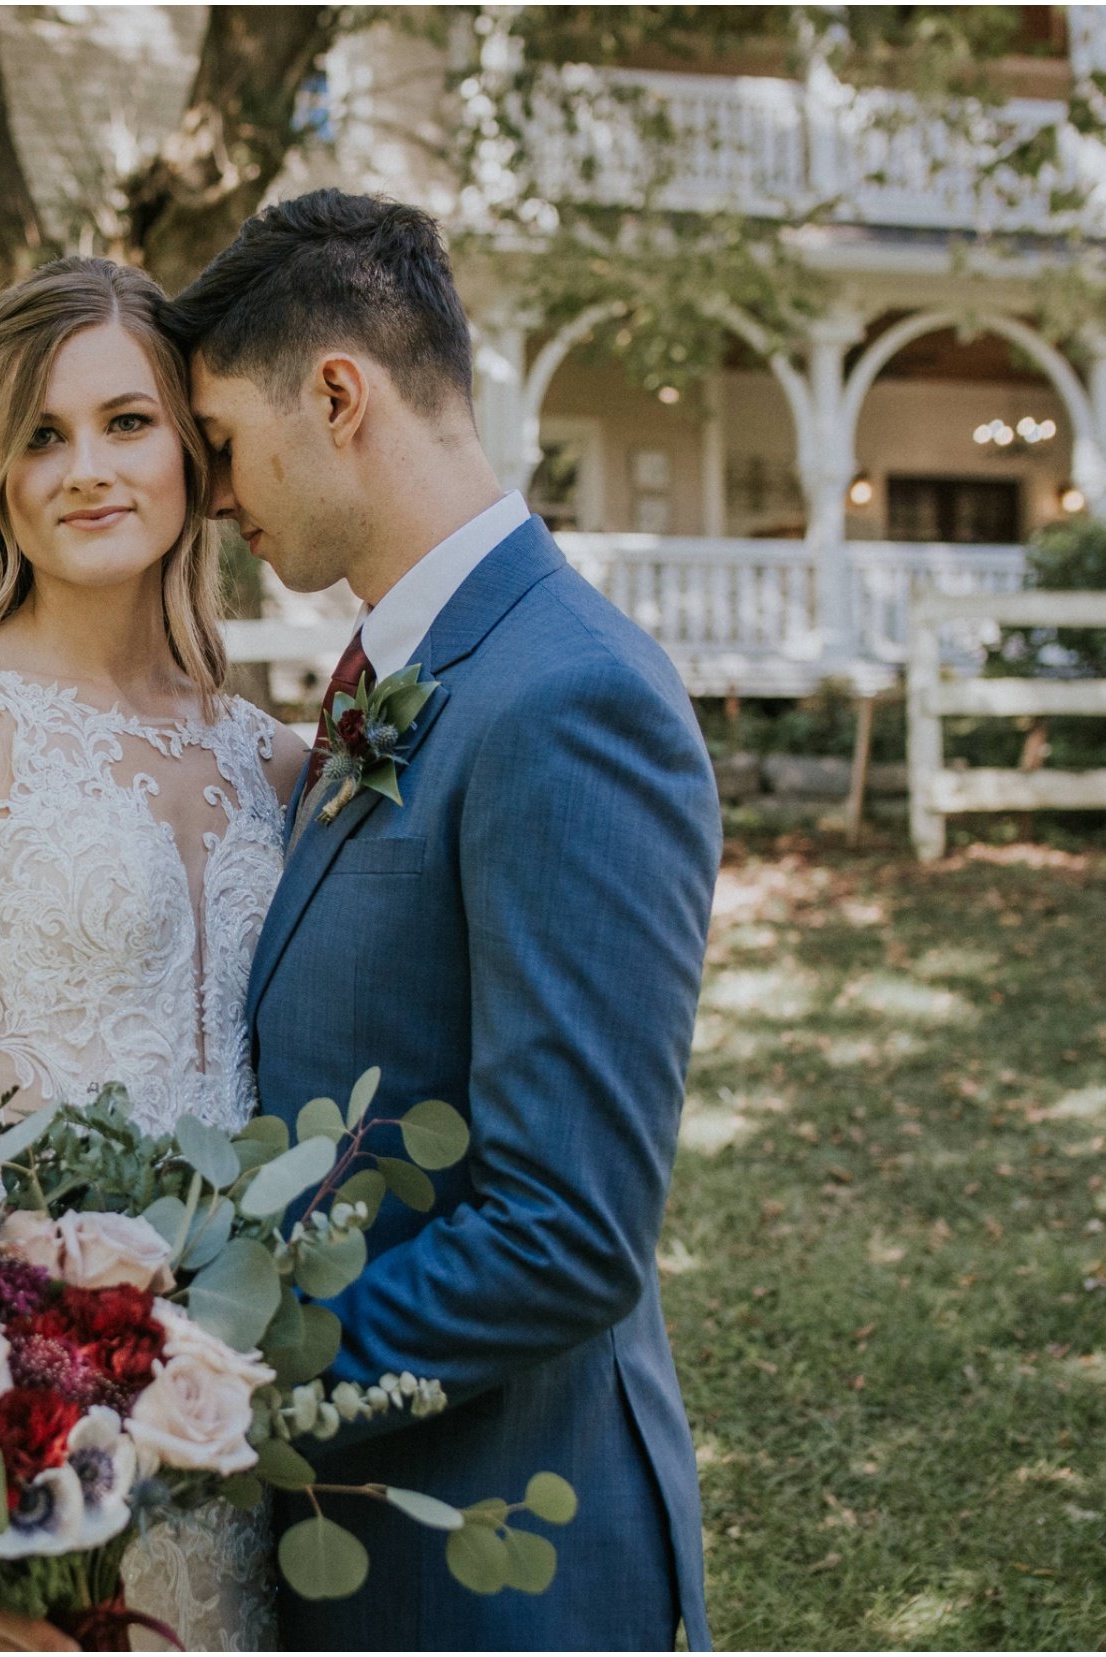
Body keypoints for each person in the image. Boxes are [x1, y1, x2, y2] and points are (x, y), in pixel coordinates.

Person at [161, 190, 720, 1651]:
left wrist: (228, 1387)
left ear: (337, 394)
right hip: (371, 1532)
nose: (214, 496)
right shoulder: (407, 670)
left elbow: (568, 1231)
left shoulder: (566, 698)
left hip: (501, 1554)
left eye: (219, 443)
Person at [0, 255, 303, 1651]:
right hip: (11, 1413)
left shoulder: (264, 752)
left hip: (218, 1393)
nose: (85, 467)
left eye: (126, 421)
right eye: (40, 433)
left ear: (200, 457)